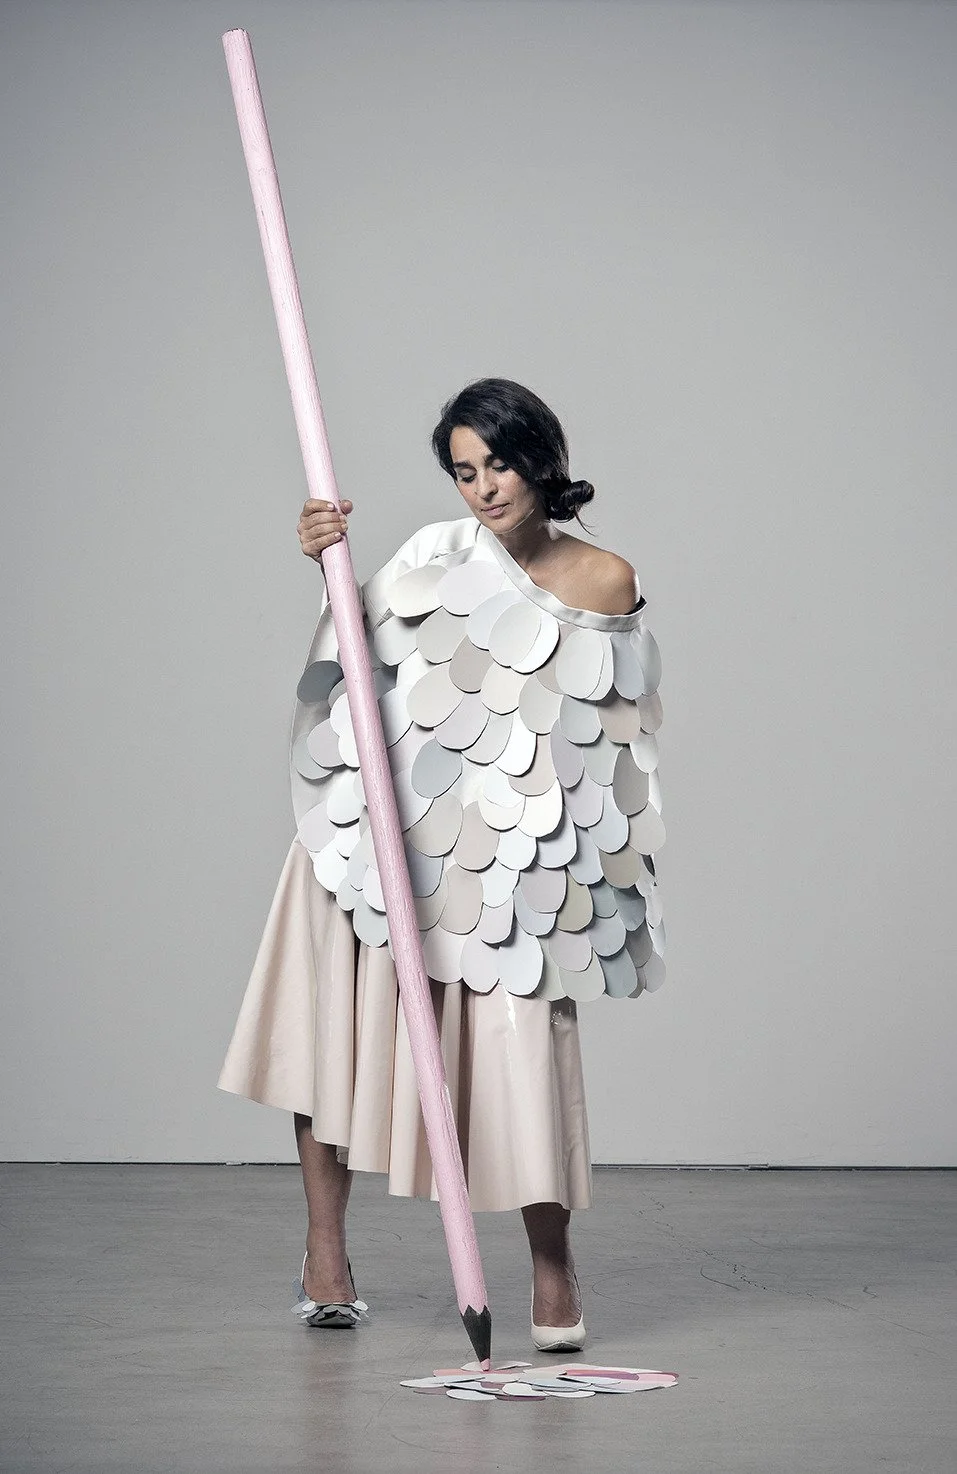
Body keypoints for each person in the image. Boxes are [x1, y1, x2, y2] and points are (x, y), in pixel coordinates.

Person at [217, 377, 665, 1350]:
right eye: (464, 472)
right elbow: (361, 661)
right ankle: (325, 1255)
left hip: (506, 858)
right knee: (329, 1037)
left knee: (523, 1060)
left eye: (498, 463)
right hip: (382, 833)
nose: (484, 488)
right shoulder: (432, 555)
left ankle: (552, 1265)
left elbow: (606, 743)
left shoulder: (604, 578)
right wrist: (328, 565)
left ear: (540, 458)